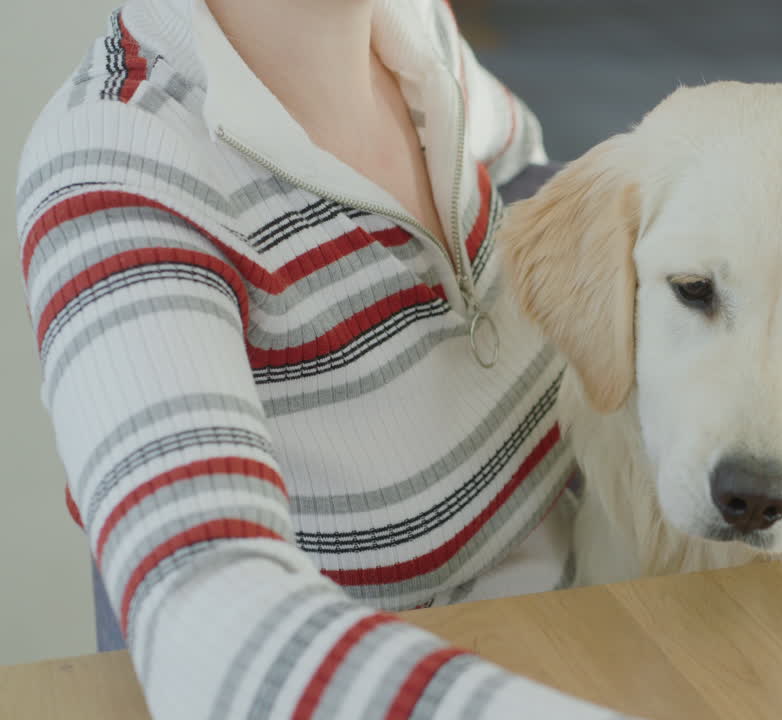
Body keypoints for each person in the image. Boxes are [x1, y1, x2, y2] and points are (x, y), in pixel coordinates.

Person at [15, 0, 628, 717]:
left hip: (601, 638)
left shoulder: (412, 31)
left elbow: (535, 192)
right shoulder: (113, 173)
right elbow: (212, 629)